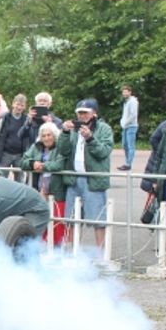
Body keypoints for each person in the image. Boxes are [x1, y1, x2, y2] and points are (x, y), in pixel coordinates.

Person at [56, 98, 114, 250]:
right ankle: (72, 252)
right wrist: (64, 133)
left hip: (93, 180)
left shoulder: (104, 129)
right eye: (79, 113)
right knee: (72, 218)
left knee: (98, 219)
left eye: (85, 113)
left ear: (94, 113)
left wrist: (90, 138)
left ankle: (102, 255)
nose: (82, 116)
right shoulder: (74, 129)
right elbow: (63, 151)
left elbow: (103, 152)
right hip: (74, 178)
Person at [20, 122, 67, 246]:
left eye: (49, 135)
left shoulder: (60, 147)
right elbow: (23, 161)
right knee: (39, 220)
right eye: (44, 135)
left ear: (54, 135)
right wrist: (32, 163)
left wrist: (42, 166)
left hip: (56, 189)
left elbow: (59, 164)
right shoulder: (36, 146)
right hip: (38, 188)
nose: (46, 138)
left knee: (57, 221)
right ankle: (40, 247)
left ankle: (57, 249)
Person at [0, 94, 34, 178]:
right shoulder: (3, 118)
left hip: (20, 155)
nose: (19, 107)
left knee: (20, 180)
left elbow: (30, 136)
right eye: (18, 104)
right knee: (1, 178)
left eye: (22, 105)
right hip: (5, 154)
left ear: (25, 107)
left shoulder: (27, 120)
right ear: (13, 104)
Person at [118, 85, 138, 171]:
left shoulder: (133, 101)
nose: (124, 93)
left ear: (130, 92)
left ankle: (128, 164)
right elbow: (125, 114)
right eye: (123, 92)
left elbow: (133, 115)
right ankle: (127, 162)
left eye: (126, 92)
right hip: (125, 126)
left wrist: (126, 122)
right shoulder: (126, 102)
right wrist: (122, 121)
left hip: (131, 126)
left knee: (130, 146)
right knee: (124, 145)